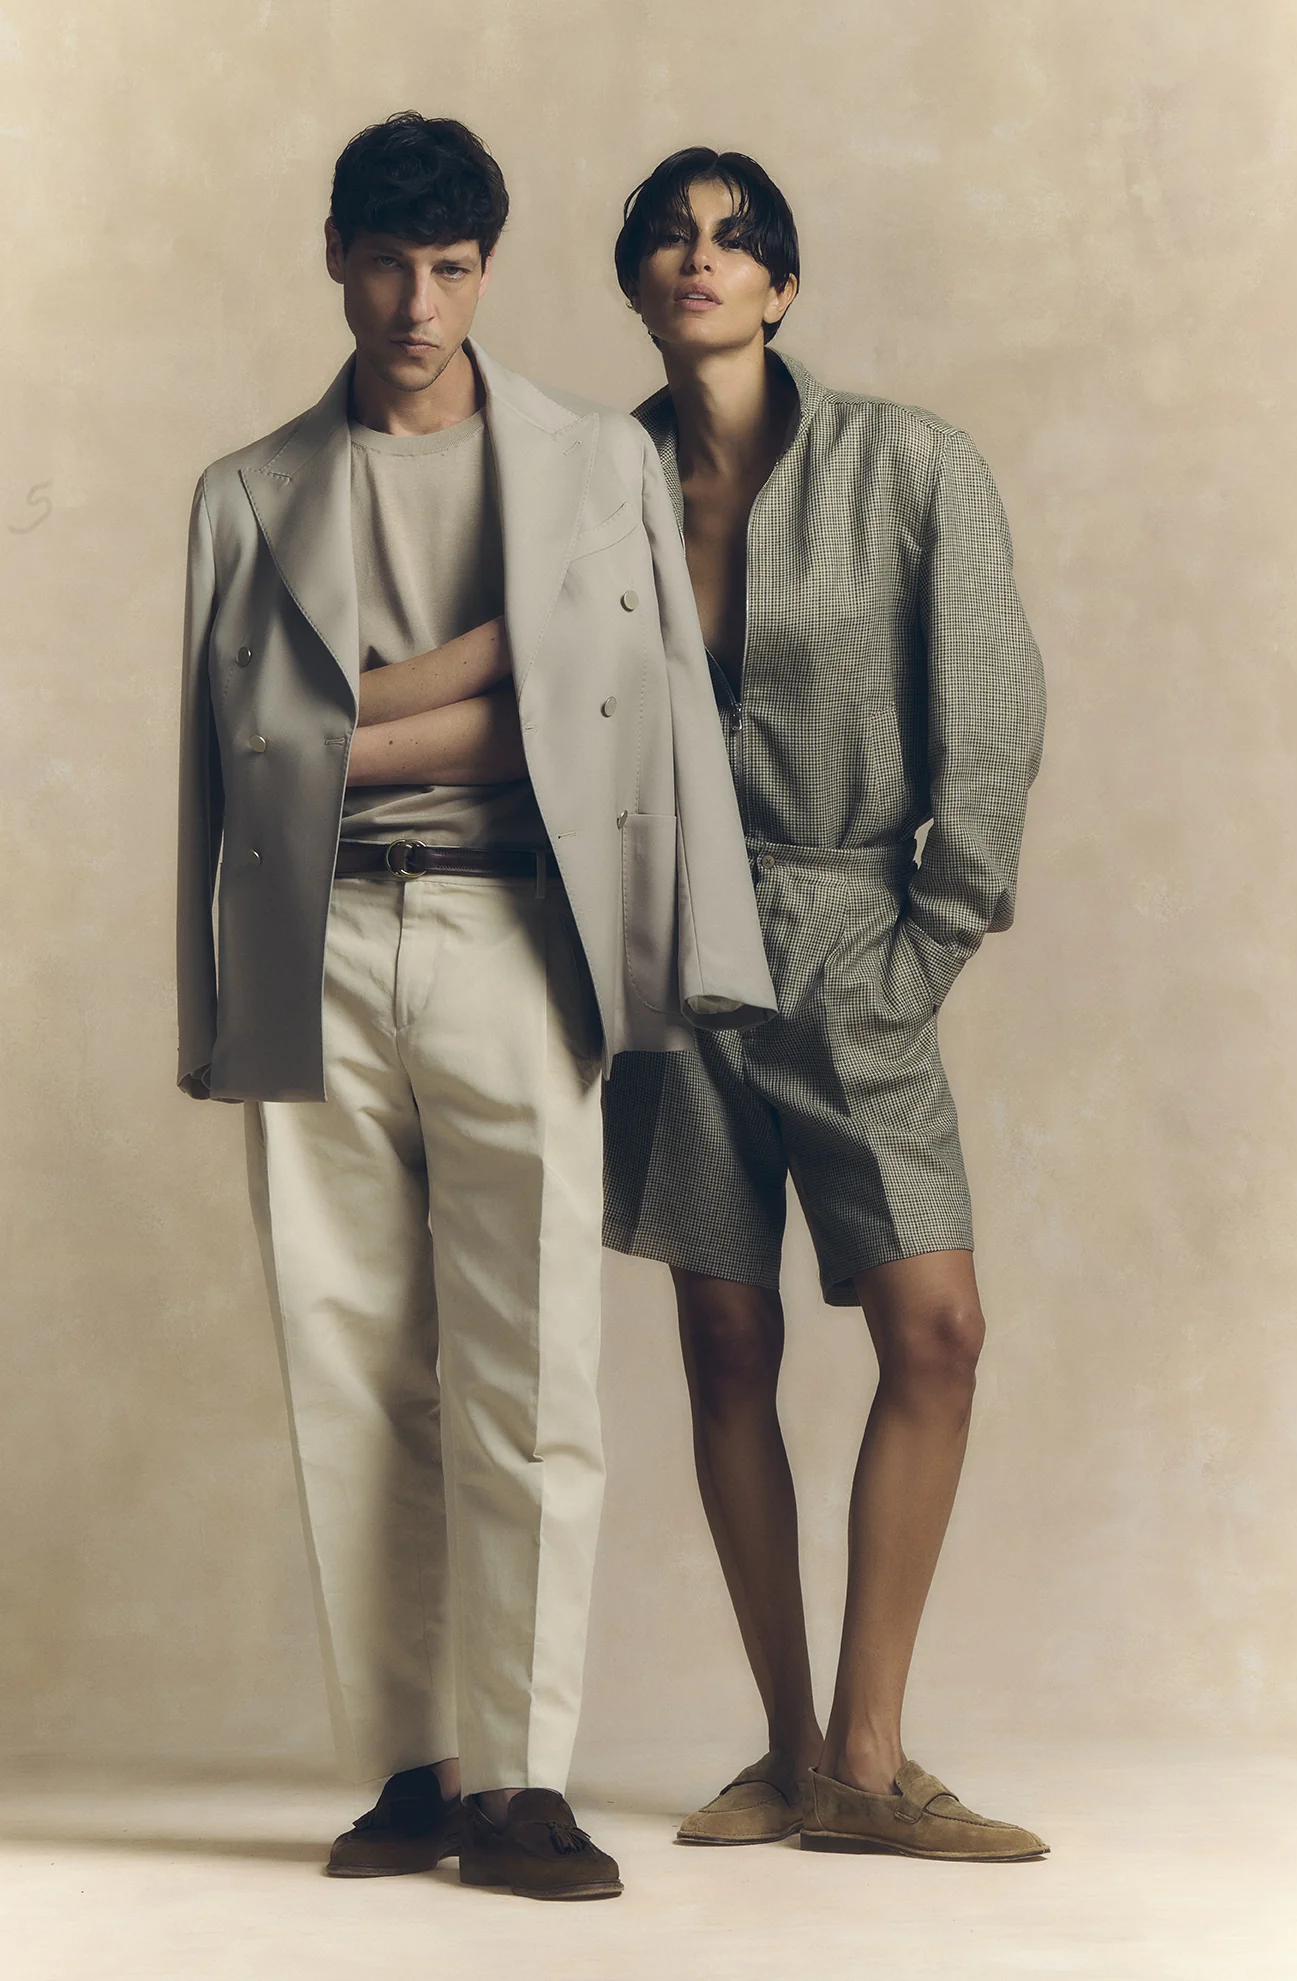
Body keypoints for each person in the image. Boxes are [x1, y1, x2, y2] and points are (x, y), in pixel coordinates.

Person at [176, 114, 775, 1903]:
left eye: (449, 270)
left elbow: (642, 710)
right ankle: (414, 1770)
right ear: (337, 259)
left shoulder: (595, 462)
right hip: (317, 946)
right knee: (349, 1363)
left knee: (534, 1370)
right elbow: (229, 768)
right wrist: (496, 673)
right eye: (386, 264)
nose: (416, 305)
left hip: (520, 935)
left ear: (487, 270)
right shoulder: (247, 491)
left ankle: (523, 1781)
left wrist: (351, 718)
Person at [603, 148, 1049, 1860]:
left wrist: (920, 949)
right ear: (638, 284)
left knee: (935, 1330)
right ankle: (791, 1750)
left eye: (737, 241)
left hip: (851, 928)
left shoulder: (909, 464)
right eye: (672, 236)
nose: (701, 258)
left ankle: (870, 1759)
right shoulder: (597, 488)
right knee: (726, 1341)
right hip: (673, 952)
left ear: (782, 288)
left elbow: (991, 713)